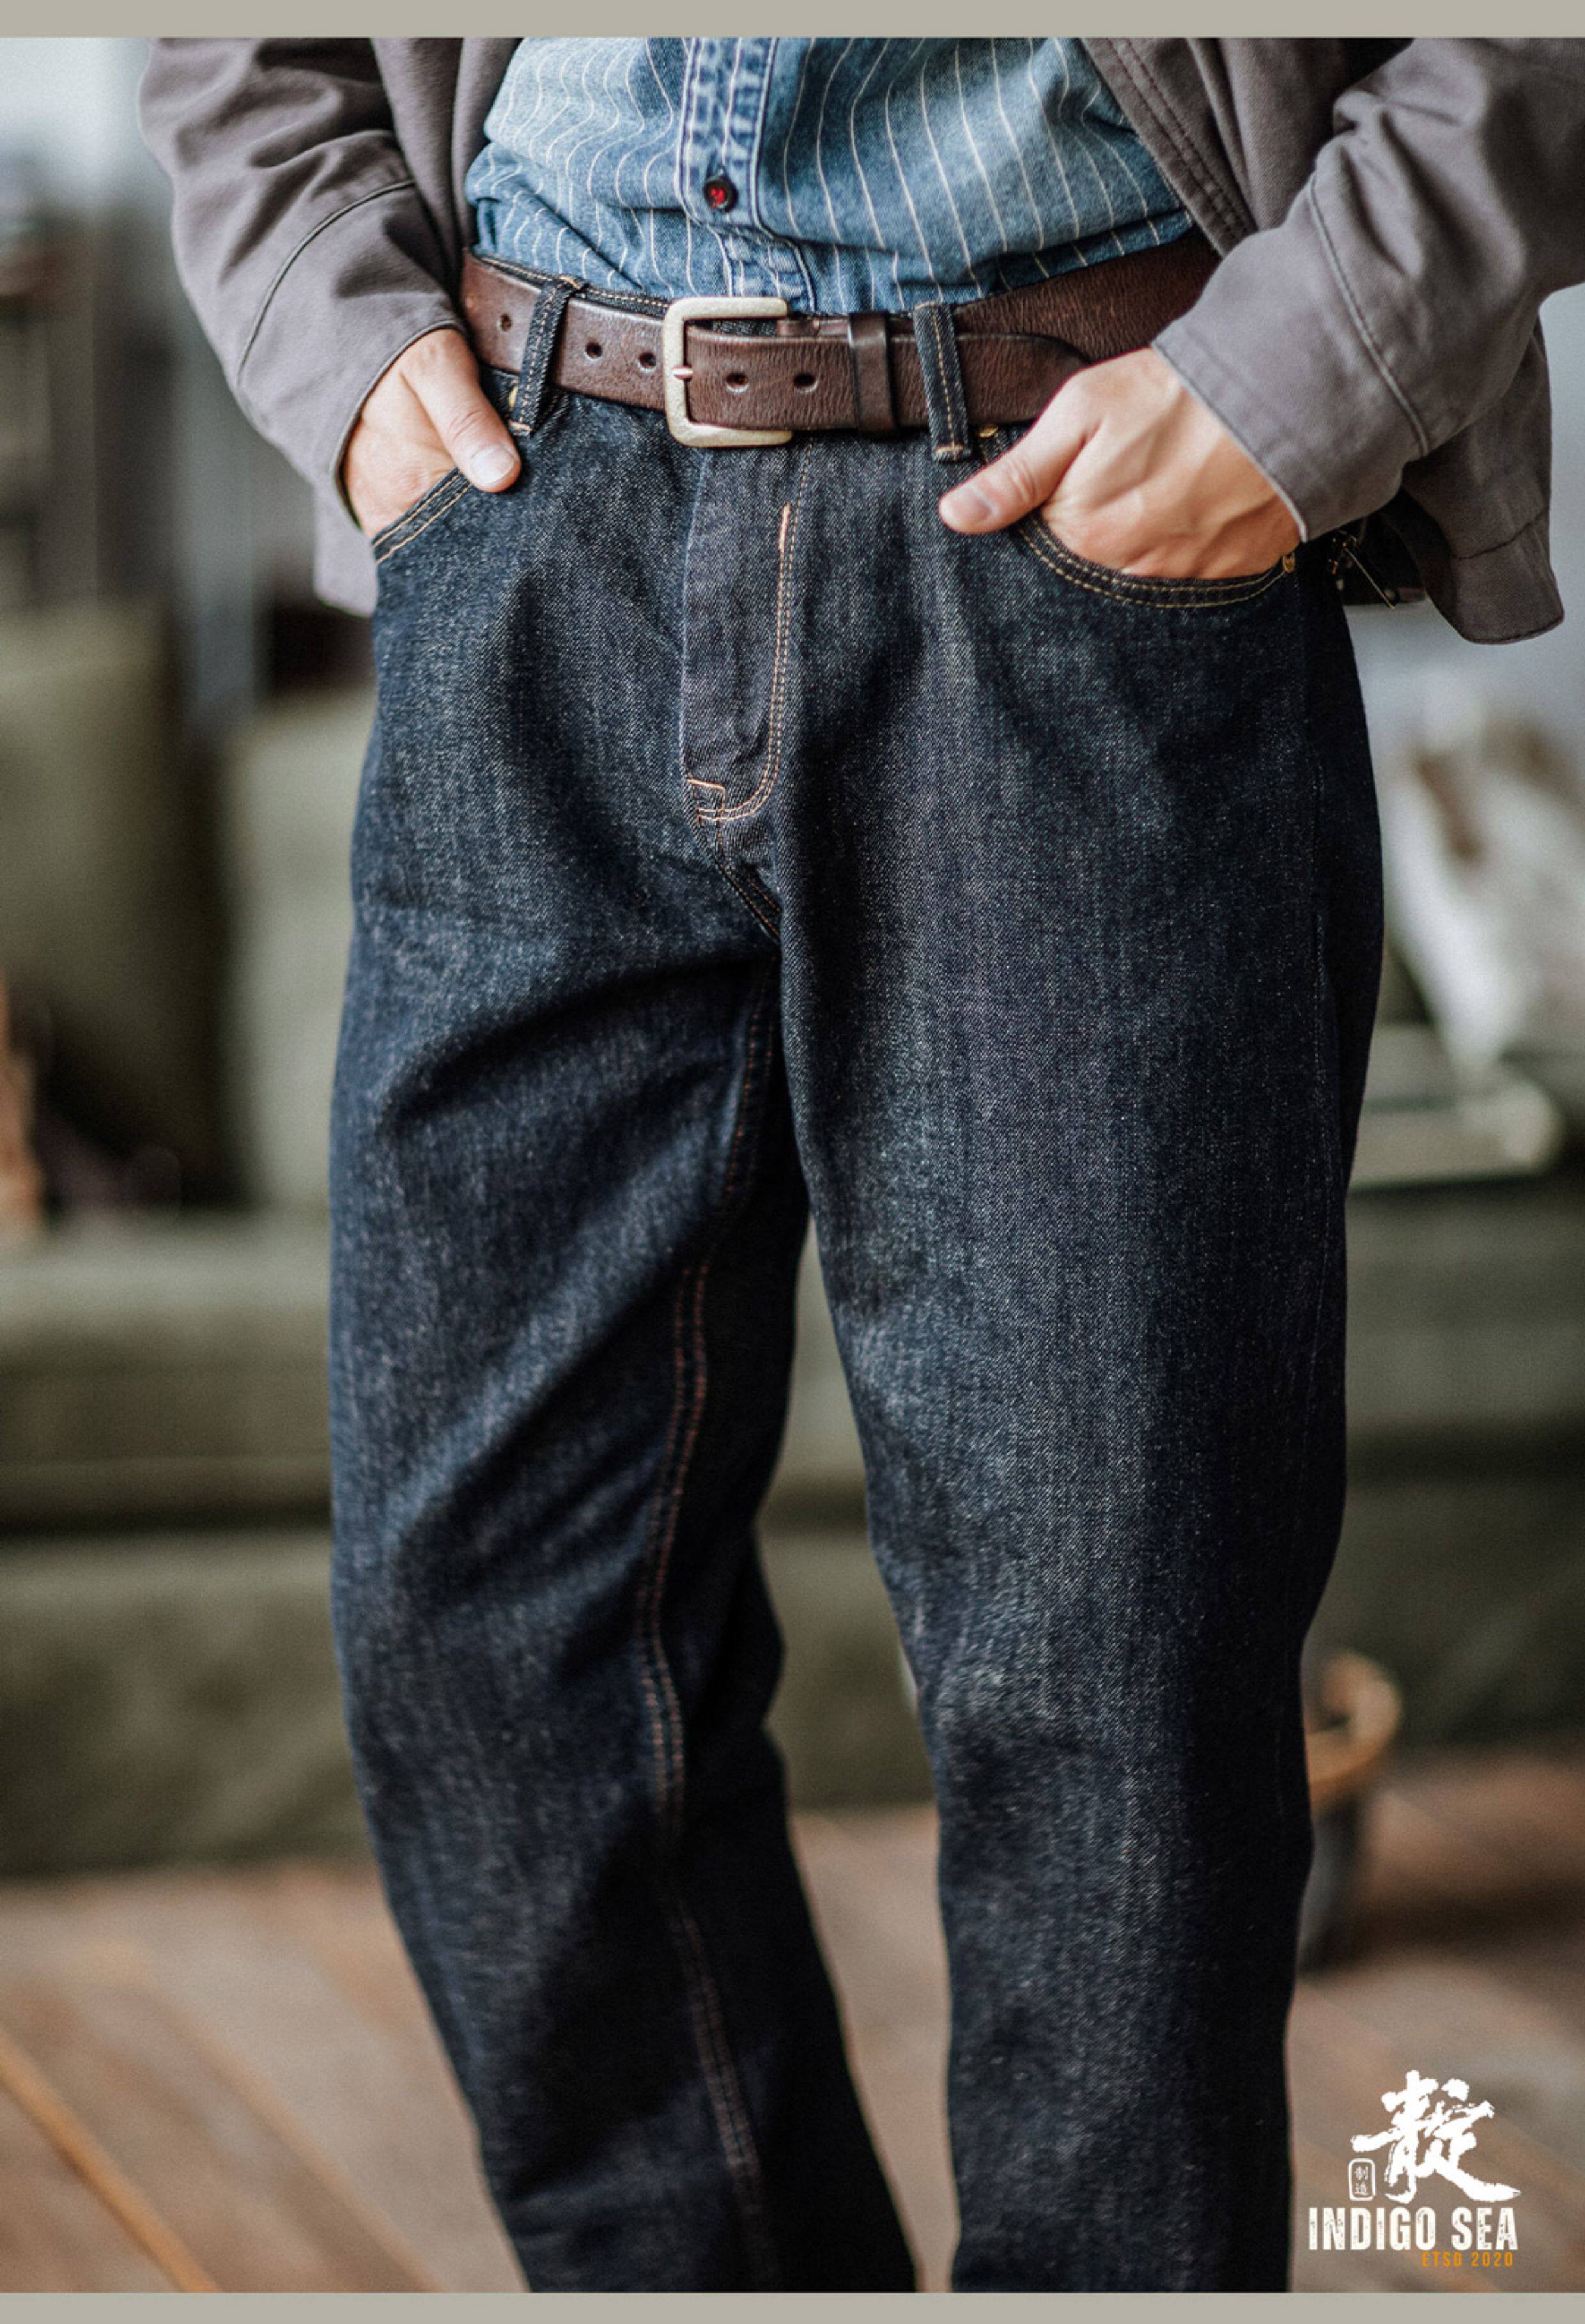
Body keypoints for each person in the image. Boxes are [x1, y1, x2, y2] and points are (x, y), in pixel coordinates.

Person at [140, 38, 1584, 2292]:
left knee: (1116, 1700)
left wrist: (1295, 377)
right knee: (481, 1639)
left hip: (1071, 522)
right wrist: (338, 333)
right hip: (529, 519)